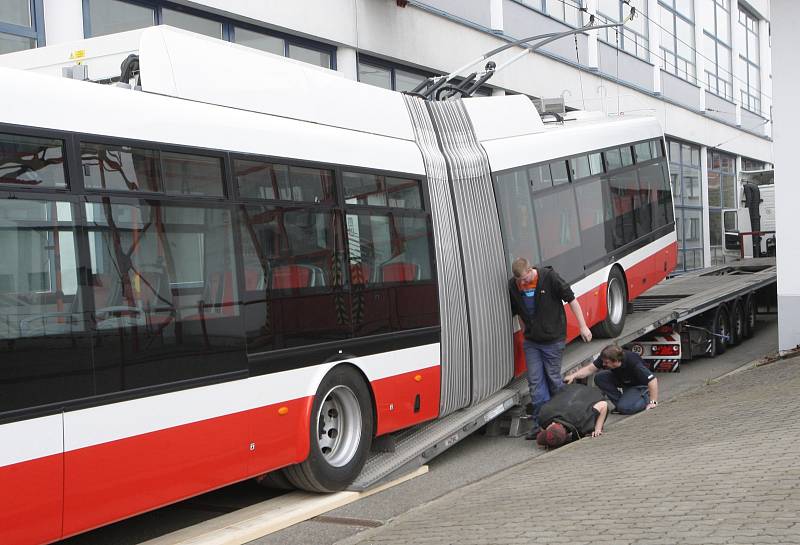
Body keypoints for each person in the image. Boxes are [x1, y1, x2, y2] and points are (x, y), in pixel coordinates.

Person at [508, 257, 592, 438]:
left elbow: (572, 300)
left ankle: (563, 419)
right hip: (532, 341)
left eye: (525, 279)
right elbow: (518, 312)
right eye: (519, 281)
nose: (522, 283)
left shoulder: (549, 277)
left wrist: (583, 326)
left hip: (553, 339)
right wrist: (525, 332)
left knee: (553, 379)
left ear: (531, 270)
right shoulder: (514, 285)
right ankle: (541, 424)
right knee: (536, 383)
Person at [565, 344, 659, 414]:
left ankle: (645, 397)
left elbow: (652, 380)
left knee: (626, 408)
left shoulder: (634, 363)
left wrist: (653, 402)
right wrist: (573, 376)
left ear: (617, 361)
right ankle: (620, 404)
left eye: (606, 363)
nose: (604, 364)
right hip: (624, 380)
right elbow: (590, 369)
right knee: (600, 377)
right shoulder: (606, 358)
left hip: (639, 386)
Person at [534, 383, 609, 449]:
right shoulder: (544, 414)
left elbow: (604, 404)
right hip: (570, 388)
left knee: (590, 427)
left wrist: (598, 429)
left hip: (591, 393)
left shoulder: (582, 424)